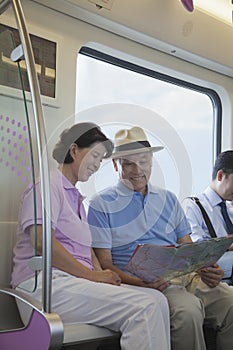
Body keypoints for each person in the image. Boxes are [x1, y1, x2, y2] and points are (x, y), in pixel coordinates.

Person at [11, 122, 170, 350]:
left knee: (158, 301)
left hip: (72, 282)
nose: (96, 165)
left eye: (100, 159)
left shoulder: (75, 198)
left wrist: (103, 274)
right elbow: (42, 242)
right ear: (74, 150)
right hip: (44, 284)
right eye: (94, 155)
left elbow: (86, 251)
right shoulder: (46, 187)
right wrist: (92, 276)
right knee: (144, 306)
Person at [88, 126, 233, 350]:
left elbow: (188, 246)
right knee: (187, 311)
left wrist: (208, 268)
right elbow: (105, 264)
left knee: (231, 300)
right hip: (138, 284)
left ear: (152, 161)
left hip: (184, 277)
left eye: (144, 161)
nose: (138, 170)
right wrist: (141, 283)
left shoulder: (169, 199)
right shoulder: (100, 204)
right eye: (128, 163)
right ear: (116, 164)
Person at [184, 150, 233, 283]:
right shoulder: (193, 206)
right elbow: (195, 246)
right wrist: (228, 243)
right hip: (210, 265)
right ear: (220, 175)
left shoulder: (229, 209)